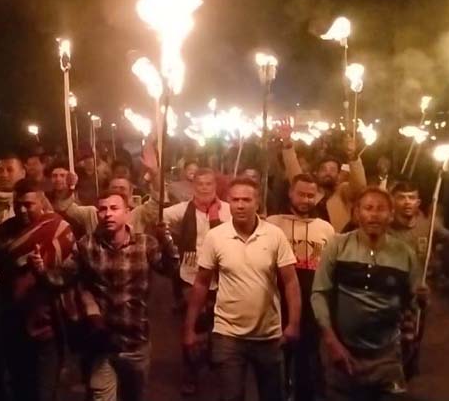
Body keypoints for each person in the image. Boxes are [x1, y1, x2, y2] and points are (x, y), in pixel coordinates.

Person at [50, 190, 178, 401]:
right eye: (103, 209)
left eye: (114, 208)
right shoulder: (87, 244)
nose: (108, 213)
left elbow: (170, 269)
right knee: (100, 395)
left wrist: (166, 240)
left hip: (135, 341)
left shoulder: (145, 244)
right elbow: (62, 277)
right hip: (101, 342)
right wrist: (40, 270)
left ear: (127, 213)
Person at [184, 177, 301, 401]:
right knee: (231, 396)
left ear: (257, 203)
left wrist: (293, 323)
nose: (240, 205)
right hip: (228, 334)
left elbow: (290, 282)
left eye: (246, 200)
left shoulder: (274, 235)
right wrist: (189, 328)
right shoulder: (216, 237)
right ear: (228, 201)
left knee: (273, 396)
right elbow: (201, 283)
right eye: (235, 200)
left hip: (268, 334)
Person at [311, 187, 422, 401]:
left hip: (387, 359)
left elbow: (413, 303)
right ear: (357, 213)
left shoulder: (404, 253)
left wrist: (422, 300)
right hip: (344, 355)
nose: (374, 214)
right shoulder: (337, 246)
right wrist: (332, 343)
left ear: (391, 215)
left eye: (381, 209)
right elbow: (319, 293)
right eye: (368, 208)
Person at [0, 179, 77, 401]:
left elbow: (71, 274)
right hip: (13, 323)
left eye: (28, 204)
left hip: (47, 325)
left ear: (41, 202)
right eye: (18, 204)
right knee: (20, 390)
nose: (22, 210)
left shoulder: (58, 229)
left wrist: (43, 271)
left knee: (43, 392)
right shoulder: (2, 232)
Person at [163, 168, 232, 394]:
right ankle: (190, 372)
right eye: (200, 184)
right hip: (191, 276)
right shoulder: (183, 210)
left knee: (218, 324)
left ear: (215, 186)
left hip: (222, 278)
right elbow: (157, 215)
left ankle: (214, 361)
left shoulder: (228, 211)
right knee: (193, 323)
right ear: (193, 187)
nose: (204, 188)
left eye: (208, 184)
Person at [267, 174, 335, 401]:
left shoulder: (326, 228)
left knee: (308, 358)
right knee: (277, 358)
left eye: (310, 195)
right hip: (278, 300)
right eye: (301, 194)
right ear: (290, 193)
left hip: (311, 302)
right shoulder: (273, 223)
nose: (305, 200)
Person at [280, 126, 366, 232]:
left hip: (337, 239)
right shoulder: (311, 192)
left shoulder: (343, 192)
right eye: (323, 169)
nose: (328, 173)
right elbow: (294, 173)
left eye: (332, 170)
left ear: (339, 174)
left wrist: (353, 157)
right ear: (316, 173)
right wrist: (287, 144)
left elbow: (360, 186)